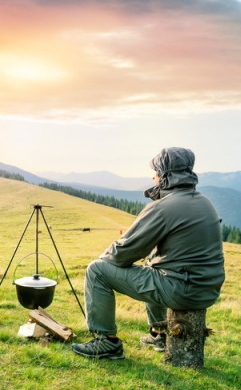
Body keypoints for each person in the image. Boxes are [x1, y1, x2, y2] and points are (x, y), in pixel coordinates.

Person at [71, 147, 225, 360]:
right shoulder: (203, 201)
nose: (152, 176)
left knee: (97, 270)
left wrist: (105, 258)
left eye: (155, 172)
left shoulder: (165, 206)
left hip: (182, 290)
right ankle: (158, 334)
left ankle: (106, 342)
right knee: (153, 267)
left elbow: (123, 253)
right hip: (207, 289)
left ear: (165, 175)